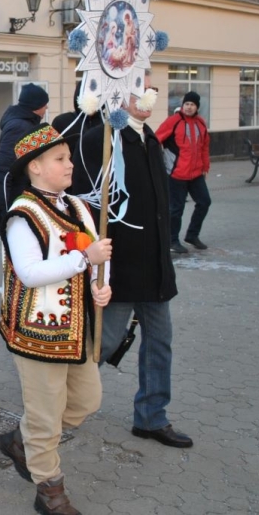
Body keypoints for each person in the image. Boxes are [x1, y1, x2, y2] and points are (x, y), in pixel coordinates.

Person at [72, 74, 193, 450]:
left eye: (153, 87)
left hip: (155, 267)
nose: (151, 95)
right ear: (120, 94)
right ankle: (56, 404)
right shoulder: (101, 139)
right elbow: (80, 203)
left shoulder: (150, 137)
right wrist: (93, 259)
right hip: (119, 267)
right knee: (102, 345)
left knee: (160, 341)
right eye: (143, 87)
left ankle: (151, 417)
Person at [0, 123, 112, 515]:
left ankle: (23, 439)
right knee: (47, 418)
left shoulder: (78, 206)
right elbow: (30, 273)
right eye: (60, 159)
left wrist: (102, 285)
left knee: (86, 401)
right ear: (35, 167)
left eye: (67, 158)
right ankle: (49, 490)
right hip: (37, 331)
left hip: (78, 328)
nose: (69, 165)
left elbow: (99, 253)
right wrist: (85, 260)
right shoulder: (21, 214)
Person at [0, 83, 49, 230]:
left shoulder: (27, 124)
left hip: (23, 200)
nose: (46, 108)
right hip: (17, 202)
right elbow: (2, 170)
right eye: (44, 104)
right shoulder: (20, 127)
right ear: (35, 106)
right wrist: (4, 210)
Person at [155, 91, 211, 254]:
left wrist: (205, 166)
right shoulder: (173, 121)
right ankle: (172, 240)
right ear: (183, 105)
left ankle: (192, 235)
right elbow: (156, 139)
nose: (189, 107)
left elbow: (204, 147)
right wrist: (161, 162)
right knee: (176, 209)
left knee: (204, 202)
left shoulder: (201, 124)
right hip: (176, 174)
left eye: (192, 104)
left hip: (195, 174)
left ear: (197, 107)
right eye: (187, 104)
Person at [50, 81, 103, 162]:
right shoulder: (63, 122)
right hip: (70, 171)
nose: (93, 100)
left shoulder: (106, 123)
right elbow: (53, 153)